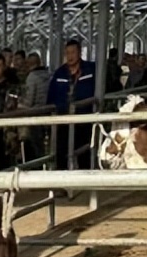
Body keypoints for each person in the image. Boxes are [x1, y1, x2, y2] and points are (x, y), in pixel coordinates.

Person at [46, 39, 95, 170]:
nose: (70, 56)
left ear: (80, 53)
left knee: (84, 153)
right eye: (67, 53)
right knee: (61, 153)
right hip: (63, 120)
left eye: (73, 52)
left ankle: (84, 178)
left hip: (84, 119)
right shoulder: (59, 73)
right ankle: (61, 180)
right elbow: (51, 95)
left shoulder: (90, 70)